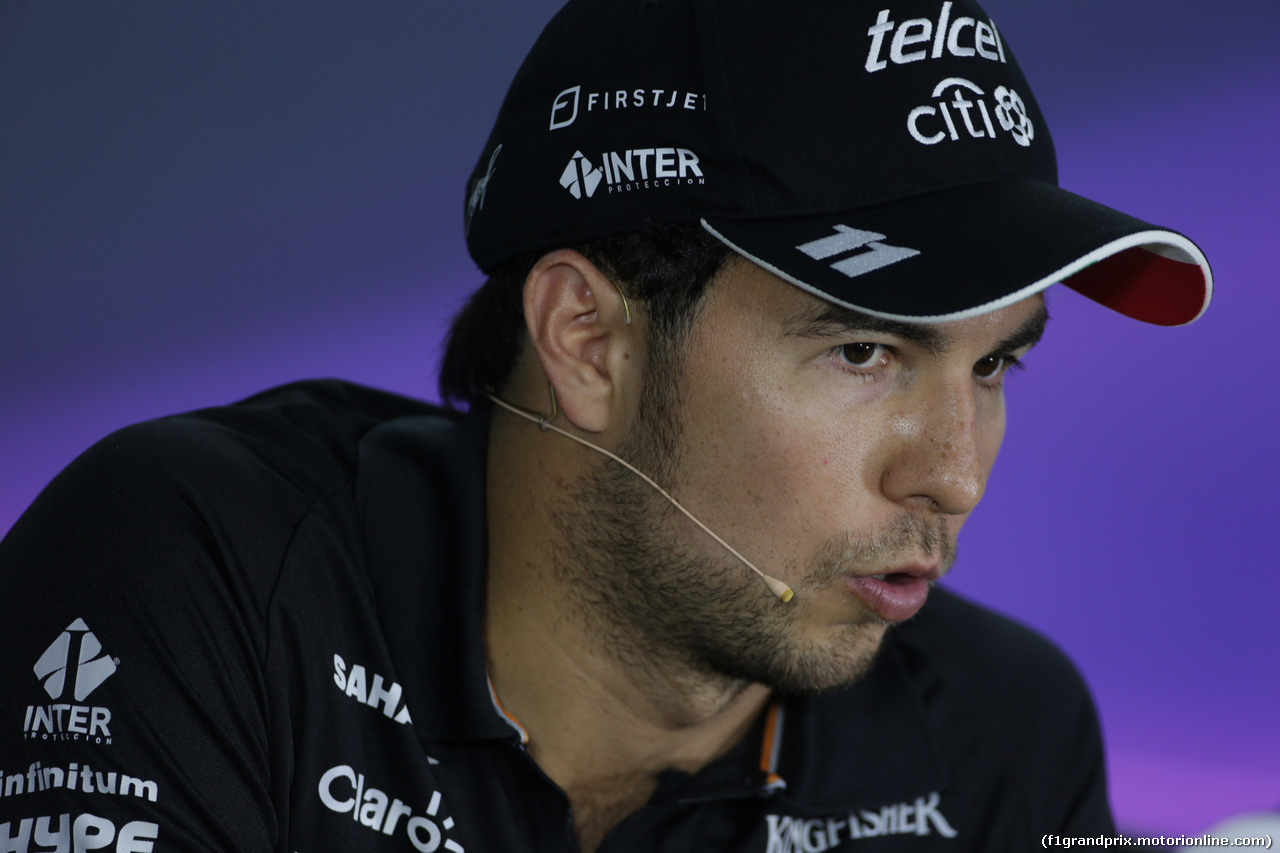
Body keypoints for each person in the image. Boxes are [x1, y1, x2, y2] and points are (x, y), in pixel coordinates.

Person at [0, 0, 1212, 851]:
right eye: (863, 350)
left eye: (993, 364)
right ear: (588, 337)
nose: (953, 476)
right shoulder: (196, 565)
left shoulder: (1002, 731)